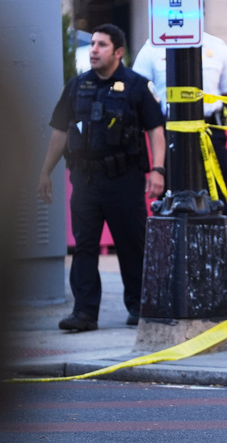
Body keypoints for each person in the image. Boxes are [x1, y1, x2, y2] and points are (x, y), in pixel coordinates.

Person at [38, 24, 166, 331]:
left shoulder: (137, 86)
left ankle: (138, 306)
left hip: (125, 178)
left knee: (131, 244)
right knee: (84, 247)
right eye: (92, 44)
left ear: (118, 52)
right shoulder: (77, 86)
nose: (94, 49)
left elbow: (155, 131)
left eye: (102, 45)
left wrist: (158, 170)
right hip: (86, 181)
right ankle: (84, 313)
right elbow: (59, 132)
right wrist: (45, 171)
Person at [133, 31, 227, 306]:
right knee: (171, 210)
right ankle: (173, 284)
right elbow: (136, 97)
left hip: (210, 134)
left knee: (220, 206)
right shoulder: (152, 48)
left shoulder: (217, 46)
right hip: (171, 135)